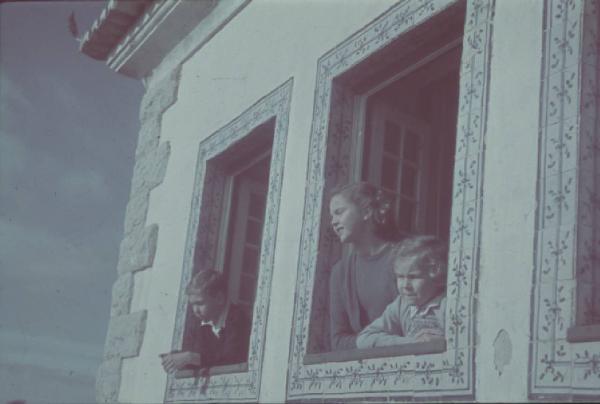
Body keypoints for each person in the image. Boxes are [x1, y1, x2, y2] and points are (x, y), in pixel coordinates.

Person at [328, 181, 402, 351]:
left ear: (366, 212)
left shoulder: (406, 256)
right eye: (332, 216)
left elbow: (421, 326)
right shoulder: (340, 273)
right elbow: (338, 341)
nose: (333, 222)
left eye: (339, 212)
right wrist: (374, 342)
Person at [356, 235, 447, 348]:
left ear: (436, 275)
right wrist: (410, 342)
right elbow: (364, 339)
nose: (405, 286)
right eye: (400, 277)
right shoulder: (401, 305)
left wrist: (444, 341)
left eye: (413, 277)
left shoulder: (446, 304)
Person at [160, 269, 251, 373]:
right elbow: (202, 357)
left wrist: (191, 357)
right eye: (192, 305)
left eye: (200, 303)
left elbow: (232, 357)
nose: (195, 310)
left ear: (219, 299)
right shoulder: (201, 325)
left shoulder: (238, 318)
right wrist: (178, 359)